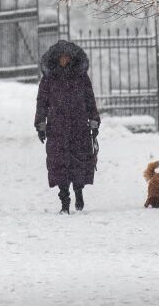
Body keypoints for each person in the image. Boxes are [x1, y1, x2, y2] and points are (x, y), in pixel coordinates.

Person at [34, 40, 100, 214]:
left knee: (78, 162)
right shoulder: (49, 80)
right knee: (59, 164)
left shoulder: (81, 78)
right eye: (61, 57)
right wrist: (40, 125)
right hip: (57, 129)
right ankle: (64, 200)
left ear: (71, 58)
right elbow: (42, 102)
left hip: (79, 127)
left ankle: (78, 191)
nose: (64, 60)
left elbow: (89, 99)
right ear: (56, 59)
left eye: (67, 57)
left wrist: (94, 121)